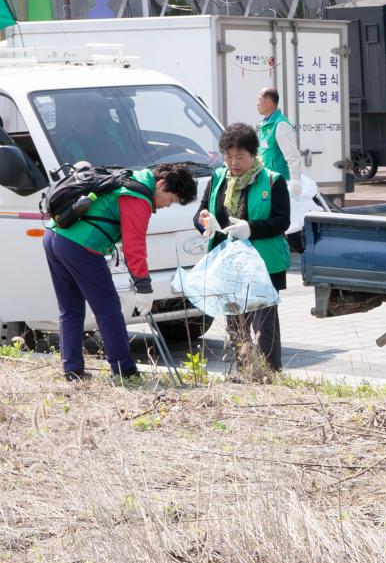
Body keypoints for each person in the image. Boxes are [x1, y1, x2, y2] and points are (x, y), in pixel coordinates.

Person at [44, 163, 198, 381]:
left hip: (55, 234)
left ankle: (72, 370)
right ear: (161, 184)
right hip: (80, 245)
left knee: (70, 308)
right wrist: (144, 286)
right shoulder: (138, 197)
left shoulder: (129, 177)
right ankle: (124, 371)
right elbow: (134, 246)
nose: (166, 206)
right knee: (109, 309)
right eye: (170, 199)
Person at [194, 123, 291, 372]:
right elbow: (201, 212)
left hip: (263, 263)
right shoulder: (218, 178)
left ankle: (270, 372)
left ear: (253, 154)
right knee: (235, 323)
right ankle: (245, 372)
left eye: (240, 157)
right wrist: (205, 221)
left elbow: (282, 221)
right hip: (228, 262)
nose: (233, 163)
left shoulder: (272, 180)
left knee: (264, 324)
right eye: (228, 156)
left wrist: (251, 228)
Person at [256, 87, 305, 254]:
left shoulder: (280, 124)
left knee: (287, 222)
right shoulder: (265, 124)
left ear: (269, 102)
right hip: (266, 182)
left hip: (280, 183)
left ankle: (302, 252)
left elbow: (292, 156)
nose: (257, 103)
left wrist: (295, 180)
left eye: (259, 99)